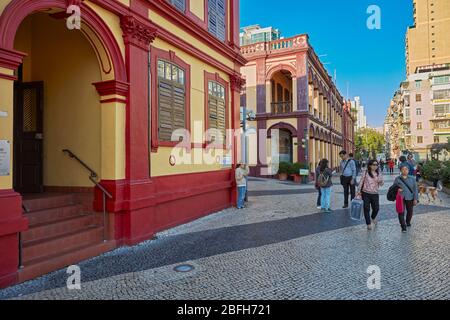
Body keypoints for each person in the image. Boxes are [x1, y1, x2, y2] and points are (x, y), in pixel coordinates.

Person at [357, 160, 384, 230]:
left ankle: (372, 218)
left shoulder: (378, 173)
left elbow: (381, 184)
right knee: (366, 208)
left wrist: (381, 182)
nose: (375, 166)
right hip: (365, 193)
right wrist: (358, 191)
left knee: (376, 208)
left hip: (375, 193)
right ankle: (368, 223)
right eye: (374, 164)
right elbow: (361, 181)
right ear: (370, 165)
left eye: (376, 165)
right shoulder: (365, 172)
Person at [394, 163, 419, 233]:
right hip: (400, 198)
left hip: (410, 197)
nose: (404, 171)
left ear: (408, 170)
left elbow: (415, 189)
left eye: (406, 169)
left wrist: (415, 199)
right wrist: (397, 189)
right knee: (401, 212)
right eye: (403, 169)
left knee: (410, 211)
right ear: (400, 170)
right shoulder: (397, 179)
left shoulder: (412, 178)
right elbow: (393, 188)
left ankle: (408, 221)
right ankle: (403, 226)